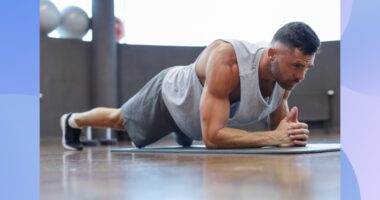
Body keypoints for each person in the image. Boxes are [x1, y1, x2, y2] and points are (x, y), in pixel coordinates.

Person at [60, 21, 320, 151]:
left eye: (307, 68)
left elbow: (279, 130)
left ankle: (183, 130)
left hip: (198, 118)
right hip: (170, 99)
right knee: (120, 120)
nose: (302, 76)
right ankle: (73, 121)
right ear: (272, 54)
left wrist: (291, 134)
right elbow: (213, 138)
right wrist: (274, 137)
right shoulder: (228, 59)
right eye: (298, 66)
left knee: (190, 135)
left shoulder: (285, 77)